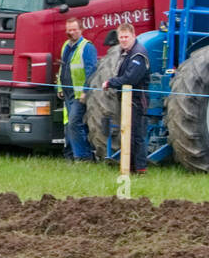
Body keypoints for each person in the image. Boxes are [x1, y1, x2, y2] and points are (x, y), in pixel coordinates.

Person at [102, 20, 150, 175]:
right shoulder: (125, 53)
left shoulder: (138, 55)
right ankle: (129, 166)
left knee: (137, 135)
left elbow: (130, 79)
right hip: (126, 101)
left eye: (126, 37)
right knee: (127, 134)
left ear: (133, 36)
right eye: (121, 37)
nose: (123, 40)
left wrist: (110, 82)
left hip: (136, 101)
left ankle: (140, 169)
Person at [58, 17, 98, 162]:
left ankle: (84, 157)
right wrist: (59, 87)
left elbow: (91, 72)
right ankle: (70, 156)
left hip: (79, 94)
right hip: (67, 93)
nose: (71, 32)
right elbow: (62, 67)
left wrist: (85, 92)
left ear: (81, 30)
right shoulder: (65, 46)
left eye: (74, 29)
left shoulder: (87, 47)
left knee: (75, 123)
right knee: (68, 124)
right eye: (69, 30)